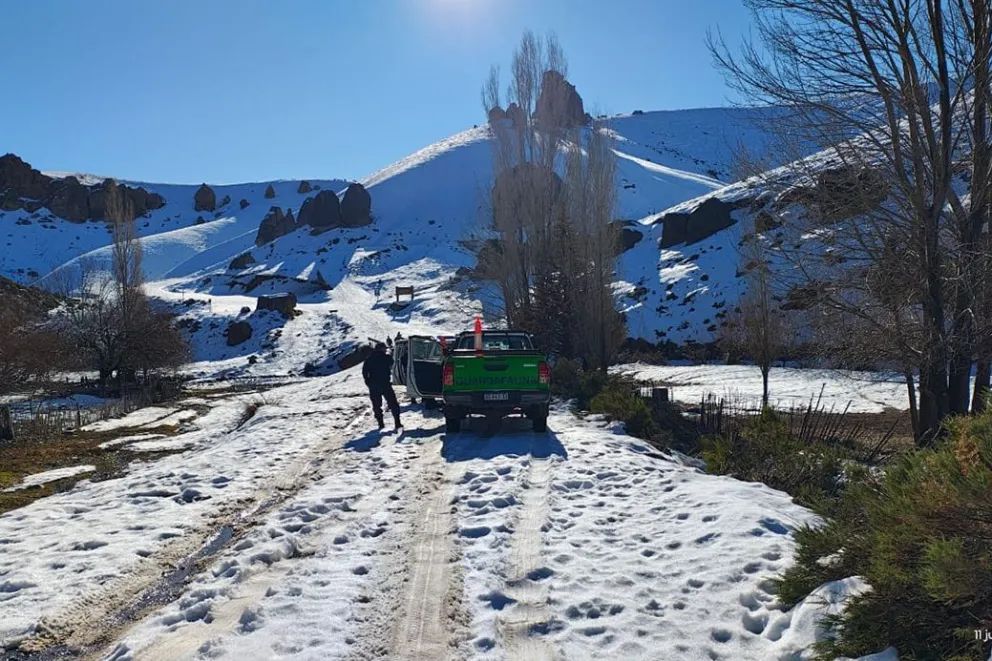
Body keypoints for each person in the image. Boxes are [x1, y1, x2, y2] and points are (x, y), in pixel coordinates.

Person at [362, 342, 402, 430]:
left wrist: (368, 382)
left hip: (374, 385)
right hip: (385, 384)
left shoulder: (369, 359)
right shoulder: (385, 357)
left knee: (376, 405)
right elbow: (392, 363)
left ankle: (381, 423)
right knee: (392, 403)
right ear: (381, 349)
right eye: (384, 348)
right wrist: (390, 354)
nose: (385, 350)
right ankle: (397, 422)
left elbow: (365, 372)